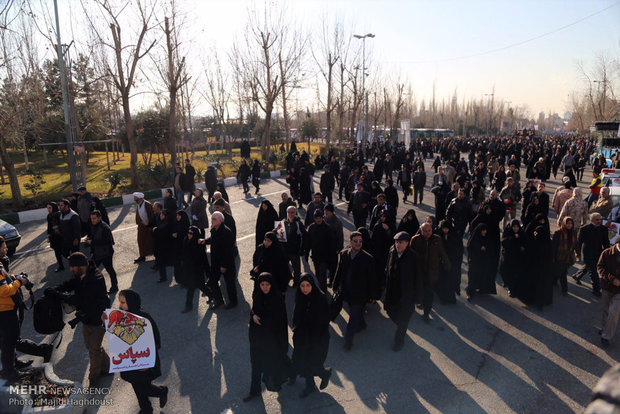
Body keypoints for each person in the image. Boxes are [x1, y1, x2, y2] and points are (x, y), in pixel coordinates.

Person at [45, 252, 110, 386]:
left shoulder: (95, 278)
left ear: (81, 266)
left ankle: (94, 377)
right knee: (91, 346)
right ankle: (108, 367)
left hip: (99, 319)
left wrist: (59, 295)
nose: (71, 269)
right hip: (87, 318)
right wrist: (56, 289)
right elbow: (71, 284)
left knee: (93, 349)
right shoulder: (81, 275)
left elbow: (80, 300)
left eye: (73, 267)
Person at [103, 290, 168, 412]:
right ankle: (146, 409)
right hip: (129, 361)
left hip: (143, 363)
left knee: (143, 388)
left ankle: (161, 392)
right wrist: (105, 322)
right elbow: (116, 337)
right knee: (137, 387)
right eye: (120, 302)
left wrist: (147, 362)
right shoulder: (122, 315)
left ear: (131, 302)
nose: (120, 305)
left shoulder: (142, 318)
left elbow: (131, 338)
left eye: (123, 302)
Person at [243, 272, 292, 401]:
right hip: (256, 339)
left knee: (275, 362)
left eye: (267, 284)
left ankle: (293, 372)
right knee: (255, 366)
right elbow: (254, 309)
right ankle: (255, 391)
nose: (265, 287)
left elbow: (280, 322)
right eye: (262, 284)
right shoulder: (258, 296)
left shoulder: (277, 300)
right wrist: (253, 315)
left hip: (271, 341)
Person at [291, 273, 332, 398]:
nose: (305, 289)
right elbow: (296, 316)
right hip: (303, 338)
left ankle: (324, 374)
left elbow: (325, 319)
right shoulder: (300, 297)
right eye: (302, 286)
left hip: (317, 338)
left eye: (308, 285)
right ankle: (310, 385)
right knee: (303, 362)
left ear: (312, 285)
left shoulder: (320, 298)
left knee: (313, 364)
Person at [333, 232, 375, 351]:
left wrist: (372, 295)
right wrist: (335, 285)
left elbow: (372, 279)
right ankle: (362, 325)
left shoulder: (367, 258)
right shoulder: (343, 254)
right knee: (355, 312)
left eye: (360, 241)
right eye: (355, 241)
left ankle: (348, 341)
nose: (358, 243)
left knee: (353, 317)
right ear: (350, 242)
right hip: (347, 291)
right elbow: (339, 270)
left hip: (360, 294)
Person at [384, 231, 422, 351]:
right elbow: (387, 268)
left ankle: (399, 341)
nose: (397, 245)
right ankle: (401, 325)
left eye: (400, 242)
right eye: (396, 242)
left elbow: (418, 278)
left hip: (406, 294)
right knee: (389, 310)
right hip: (393, 291)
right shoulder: (392, 251)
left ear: (407, 243)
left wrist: (418, 298)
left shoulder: (413, 257)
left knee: (404, 319)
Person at [410, 223, 450, 321]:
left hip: (432, 272)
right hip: (419, 272)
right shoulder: (415, 240)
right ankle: (420, 302)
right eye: (425, 231)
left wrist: (447, 264)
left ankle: (426, 313)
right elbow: (410, 255)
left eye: (429, 231)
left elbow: (442, 253)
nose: (428, 233)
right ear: (421, 231)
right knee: (419, 289)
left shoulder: (437, 239)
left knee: (429, 293)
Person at [0, 258, 31, 380]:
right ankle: (9, 372)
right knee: (8, 341)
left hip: (7, 309)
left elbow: (5, 278)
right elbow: (4, 290)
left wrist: (15, 277)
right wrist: (19, 282)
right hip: (4, 311)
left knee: (11, 340)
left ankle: (14, 363)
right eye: (3, 247)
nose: (6, 248)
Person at [203, 212, 237, 309]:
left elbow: (228, 251)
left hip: (226, 263)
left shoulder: (226, 232)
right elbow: (212, 239)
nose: (212, 220)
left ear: (221, 221)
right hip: (215, 262)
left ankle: (233, 302)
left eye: (214, 219)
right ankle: (219, 300)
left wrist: (224, 265)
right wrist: (205, 241)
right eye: (212, 218)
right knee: (213, 281)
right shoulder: (214, 230)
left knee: (229, 283)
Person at [575, 213, 610, 297]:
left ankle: (577, 276)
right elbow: (579, 243)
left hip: (598, 252)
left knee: (589, 267)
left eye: (600, 219)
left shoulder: (604, 229)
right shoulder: (584, 229)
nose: (599, 221)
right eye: (597, 220)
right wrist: (577, 254)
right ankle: (596, 290)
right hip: (587, 253)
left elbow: (606, 242)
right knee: (593, 271)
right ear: (591, 220)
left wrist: (607, 253)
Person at [519, 226, 554, 309]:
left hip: (538, 269)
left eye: (536, 232)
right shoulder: (546, 242)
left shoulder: (539, 242)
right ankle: (538, 302)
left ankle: (535, 302)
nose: (535, 234)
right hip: (542, 269)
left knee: (537, 286)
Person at [86, 210, 118, 293]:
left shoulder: (104, 228)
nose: (92, 220)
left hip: (106, 253)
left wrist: (92, 242)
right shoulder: (94, 226)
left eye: (94, 218)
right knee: (91, 270)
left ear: (99, 218)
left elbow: (107, 241)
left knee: (110, 270)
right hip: (97, 253)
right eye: (91, 218)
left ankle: (114, 287)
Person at [180, 226, 209, 313]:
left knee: (191, 288)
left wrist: (207, 271)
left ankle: (188, 306)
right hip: (189, 269)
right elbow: (183, 252)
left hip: (197, 270)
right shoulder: (186, 240)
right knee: (201, 286)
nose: (189, 235)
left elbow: (203, 259)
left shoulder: (198, 244)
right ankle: (211, 295)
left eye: (191, 233)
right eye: (188, 233)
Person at [466, 224, 497, 301]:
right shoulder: (474, 238)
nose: (484, 232)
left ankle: (480, 289)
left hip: (483, 261)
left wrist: (485, 248)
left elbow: (491, 248)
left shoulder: (487, 238)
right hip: (474, 261)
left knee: (481, 275)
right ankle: (470, 292)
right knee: (472, 276)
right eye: (483, 230)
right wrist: (479, 248)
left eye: (485, 230)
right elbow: (470, 247)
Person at [305, 210, 334, 292]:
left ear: (322, 218)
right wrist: (306, 254)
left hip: (324, 257)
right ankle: (321, 287)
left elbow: (331, 243)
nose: (318, 220)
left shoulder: (327, 228)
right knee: (317, 274)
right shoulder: (311, 228)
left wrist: (331, 256)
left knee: (322, 274)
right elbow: (308, 242)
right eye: (317, 218)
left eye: (320, 218)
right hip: (315, 256)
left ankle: (323, 291)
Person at [598, 243, 620, 347]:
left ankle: (606, 336)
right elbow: (600, 268)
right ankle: (604, 327)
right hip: (607, 287)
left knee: (614, 312)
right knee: (605, 310)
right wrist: (612, 279)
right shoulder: (606, 253)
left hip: (619, 291)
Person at [436, 220, 461, 304]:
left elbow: (459, 249)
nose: (445, 230)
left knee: (448, 281)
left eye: (446, 229)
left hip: (451, 261)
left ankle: (449, 299)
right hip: (441, 261)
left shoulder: (455, 235)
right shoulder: (440, 234)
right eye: (444, 229)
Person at [282, 206, 307, 287]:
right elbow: (279, 235)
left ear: (295, 213)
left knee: (296, 269)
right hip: (285, 250)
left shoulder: (298, 224)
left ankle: (296, 282)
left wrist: (302, 249)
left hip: (294, 251)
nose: (290, 214)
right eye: (289, 212)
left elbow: (305, 236)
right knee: (284, 267)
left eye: (292, 212)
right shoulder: (283, 223)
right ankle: (287, 279)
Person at [552, 217, 577, 295]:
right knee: (561, 272)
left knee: (562, 272)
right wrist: (553, 256)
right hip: (558, 256)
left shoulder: (574, 233)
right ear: (564, 223)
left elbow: (576, 244)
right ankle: (564, 289)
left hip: (568, 256)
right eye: (568, 223)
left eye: (571, 224)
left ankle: (559, 285)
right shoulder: (558, 233)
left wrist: (578, 253)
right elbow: (554, 246)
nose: (569, 225)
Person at [500, 220, 525, 297]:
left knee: (513, 273)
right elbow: (504, 242)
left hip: (516, 256)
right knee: (505, 271)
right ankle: (506, 282)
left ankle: (511, 289)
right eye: (514, 227)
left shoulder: (521, 233)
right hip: (507, 255)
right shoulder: (508, 232)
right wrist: (513, 238)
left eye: (517, 227)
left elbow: (524, 241)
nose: (516, 228)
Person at [153, 210, 173, 283]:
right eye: (160, 215)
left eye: (163, 215)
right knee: (161, 263)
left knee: (164, 263)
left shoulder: (167, 224)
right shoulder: (158, 222)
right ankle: (163, 277)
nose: (161, 216)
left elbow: (164, 233)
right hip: (159, 246)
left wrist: (156, 230)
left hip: (165, 247)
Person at [134, 192, 154, 263]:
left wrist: (150, 225)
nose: (135, 200)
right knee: (140, 241)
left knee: (150, 241)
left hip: (148, 227)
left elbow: (151, 215)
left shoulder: (147, 204)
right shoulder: (139, 204)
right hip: (141, 227)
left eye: (136, 198)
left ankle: (155, 253)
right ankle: (142, 256)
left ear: (140, 198)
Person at [46, 202, 64, 272]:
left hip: (61, 236)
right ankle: (61, 266)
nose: (48, 209)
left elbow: (64, 224)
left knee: (65, 252)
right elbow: (49, 226)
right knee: (57, 252)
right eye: (47, 208)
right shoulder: (49, 216)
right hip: (53, 237)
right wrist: (48, 234)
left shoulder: (59, 214)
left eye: (50, 208)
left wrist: (58, 227)